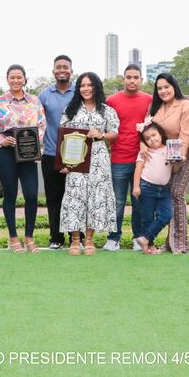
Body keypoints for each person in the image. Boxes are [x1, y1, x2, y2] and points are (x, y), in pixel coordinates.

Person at [59, 72, 119, 256]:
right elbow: (62, 135)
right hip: (76, 160)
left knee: (95, 198)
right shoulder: (71, 109)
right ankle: (75, 240)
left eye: (89, 85)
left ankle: (90, 240)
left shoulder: (106, 110)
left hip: (99, 160)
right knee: (75, 197)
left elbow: (114, 133)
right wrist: (65, 163)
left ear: (96, 87)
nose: (86, 88)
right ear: (78, 88)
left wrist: (101, 135)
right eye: (82, 85)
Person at [0, 64, 45, 253]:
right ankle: (13, 237)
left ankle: (29, 236)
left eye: (19, 77)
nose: (15, 80)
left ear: (24, 79)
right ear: (7, 79)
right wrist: (2, 140)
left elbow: (41, 125)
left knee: (31, 194)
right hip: (5, 151)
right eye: (12, 77)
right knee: (10, 194)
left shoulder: (35, 100)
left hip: (27, 152)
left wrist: (32, 142)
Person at [144, 73, 189, 254]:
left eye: (166, 87)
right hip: (161, 158)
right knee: (168, 198)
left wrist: (179, 158)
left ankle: (180, 243)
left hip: (183, 156)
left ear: (174, 86)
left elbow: (185, 133)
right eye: (159, 88)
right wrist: (143, 145)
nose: (163, 91)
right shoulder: (155, 107)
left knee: (176, 194)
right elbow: (147, 130)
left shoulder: (185, 105)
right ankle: (169, 242)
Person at [104, 64, 152, 251]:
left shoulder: (149, 99)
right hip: (119, 158)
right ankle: (113, 237)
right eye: (129, 77)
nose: (132, 80)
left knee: (139, 200)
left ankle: (138, 237)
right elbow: (106, 127)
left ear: (141, 79)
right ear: (123, 79)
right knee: (117, 201)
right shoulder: (112, 101)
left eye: (136, 77)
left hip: (142, 158)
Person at [39, 55, 74, 250]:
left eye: (66, 67)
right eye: (58, 67)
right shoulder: (44, 95)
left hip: (76, 155)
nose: (62, 70)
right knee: (54, 198)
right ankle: (56, 237)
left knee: (75, 196)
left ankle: (76, 236)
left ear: (71, 71)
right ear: (53, 71)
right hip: (51, 153)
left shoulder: (80, 92)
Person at [132, 123, 172, 255]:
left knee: (166, 215)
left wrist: (176, 162)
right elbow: (138, 169)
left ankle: (145, 238)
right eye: (148, 138)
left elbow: (175, 169)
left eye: (154, 135)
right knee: (147, 218)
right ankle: (149, 246)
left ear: (160, 133)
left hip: (164, 189)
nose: (152, 139)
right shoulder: (145, 151)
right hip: (147, 187)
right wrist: (136, 186)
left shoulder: (169, 149)